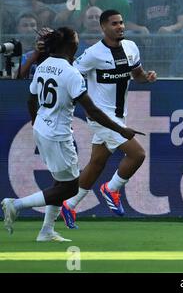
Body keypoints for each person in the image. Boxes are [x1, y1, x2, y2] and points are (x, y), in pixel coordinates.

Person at [1, 26, 140, 241]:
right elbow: (92, 110)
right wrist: (122, 130)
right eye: (76, 39)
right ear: (71, 45)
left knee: (61, 182)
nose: (78, 42)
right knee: (69, 188)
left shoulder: (44, 66)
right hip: (58, 135)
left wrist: (36, 122)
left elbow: (31, 99)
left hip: (42, 128)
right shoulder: (71, 73)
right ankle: (16, 204)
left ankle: (46, 231)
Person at [60, 9, 157, 229]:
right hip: (101, 117)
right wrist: (78, 101)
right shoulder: (93, 53)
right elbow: (71, 74)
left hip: (119, 115)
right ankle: (111, 189)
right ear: (103, 27)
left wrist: (147, 77)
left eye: (121, 22)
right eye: (114, 24)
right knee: (138, 154)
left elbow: (137, 75)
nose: (120, 26)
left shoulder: (131, 47)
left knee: (96, 163)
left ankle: (70, 204)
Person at [127, 0, 183, 77]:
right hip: (148, 43)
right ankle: (138, 75)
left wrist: (170, 29)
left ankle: (173, 75)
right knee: (129, 34)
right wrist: (141, 29)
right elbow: (128, 24)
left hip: (170, 40)